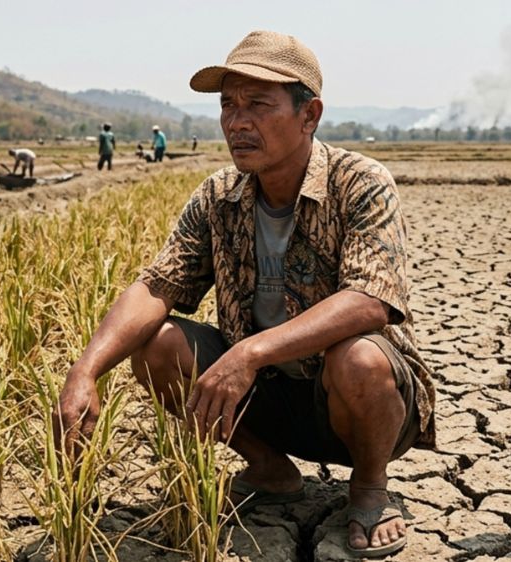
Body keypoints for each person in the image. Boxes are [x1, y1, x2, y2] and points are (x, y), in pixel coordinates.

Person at [54, 30, 435, 559]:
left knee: (361, 357)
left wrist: (249, 352)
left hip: (355, 401)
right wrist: (86, 370)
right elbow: (158, 285)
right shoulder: (217, 197)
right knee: (158, 344)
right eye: (228, 106)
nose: (238, 122)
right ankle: (269, 469)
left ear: (310, 115)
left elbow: (370, 299)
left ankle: (369, 488)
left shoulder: (360, 183)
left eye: (258, 104)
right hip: (262, 397)